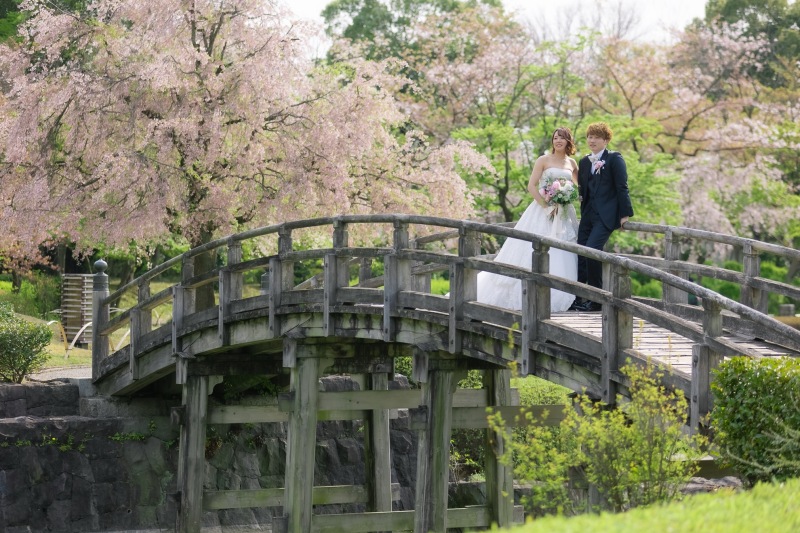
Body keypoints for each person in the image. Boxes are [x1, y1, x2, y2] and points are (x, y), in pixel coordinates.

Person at [476, 127, 579, 312]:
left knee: (562, 250)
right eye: (555, 138)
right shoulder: (543, 160)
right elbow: (532, 186)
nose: (558, 141)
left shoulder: (572, 163)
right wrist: (547, 205)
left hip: (563, 213)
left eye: (562, 138)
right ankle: (531, 292)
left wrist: (568, 196)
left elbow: (581, 185)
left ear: (568, 141)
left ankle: (561, 292)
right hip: (542, 210)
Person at [569, 122, 634, 312]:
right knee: (581, 253)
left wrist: (625, 214)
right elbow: (582, 188)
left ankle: (597, 300)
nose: (592, 140)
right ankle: (580, 297)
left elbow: (622, 187)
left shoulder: (614, 159)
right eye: (589, 136)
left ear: (606, 140)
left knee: (592, 251)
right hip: (588, 215)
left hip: (605, 217)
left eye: (596, 137)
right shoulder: (584, 161)